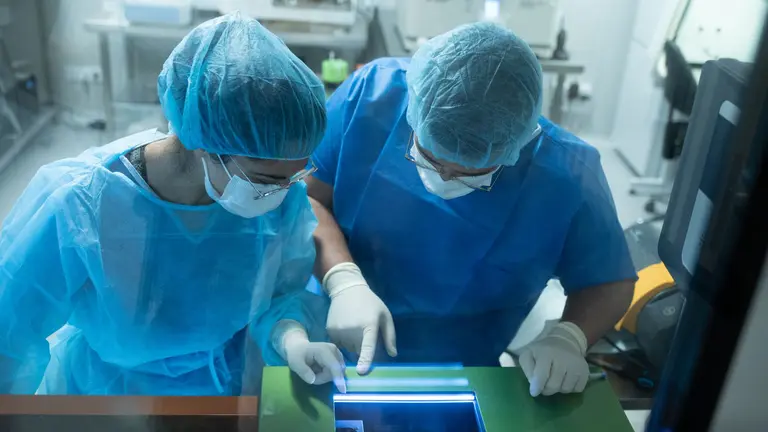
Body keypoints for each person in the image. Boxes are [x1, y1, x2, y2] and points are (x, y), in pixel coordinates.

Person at [0, 13, 345, 396]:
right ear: (207, 145)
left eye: (293, 176)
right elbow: (8, 339)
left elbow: (279, 296)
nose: (283, 192)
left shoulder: (274, 195)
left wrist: (292, 339)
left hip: (221, 388)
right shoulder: (81, 205)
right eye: (265, 180)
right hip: (104, 396)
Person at [307, 22, 637, 397]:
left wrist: (569, 337)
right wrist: (343, 281)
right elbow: (309, 198)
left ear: (517, 145)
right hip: (336, 338)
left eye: (469, 176)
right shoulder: (370, 97)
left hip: (467, 366)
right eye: (429, 160)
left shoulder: (566, 172)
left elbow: (608, 279)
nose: (444, 178)